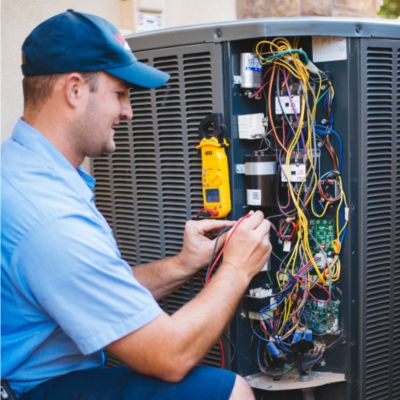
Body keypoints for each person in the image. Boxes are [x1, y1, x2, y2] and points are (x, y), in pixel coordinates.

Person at [1, 9, 272, 400]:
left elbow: (94, 287)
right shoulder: (50, 217)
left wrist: (183, 265)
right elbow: (169, 355)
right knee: (229, 391)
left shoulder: (21, 168)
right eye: (120, 94)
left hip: (30, 375)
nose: (128, 112)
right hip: (32, 388)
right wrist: (237, 268)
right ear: (74, 90)